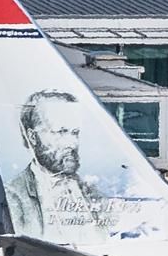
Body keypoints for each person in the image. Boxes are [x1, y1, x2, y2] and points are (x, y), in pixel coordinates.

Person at [6, 90, 110, 242]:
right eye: (61, 132)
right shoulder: (14, 195)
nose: (72, 143)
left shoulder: (93, 194)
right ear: (33, 137)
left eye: (75, 132)